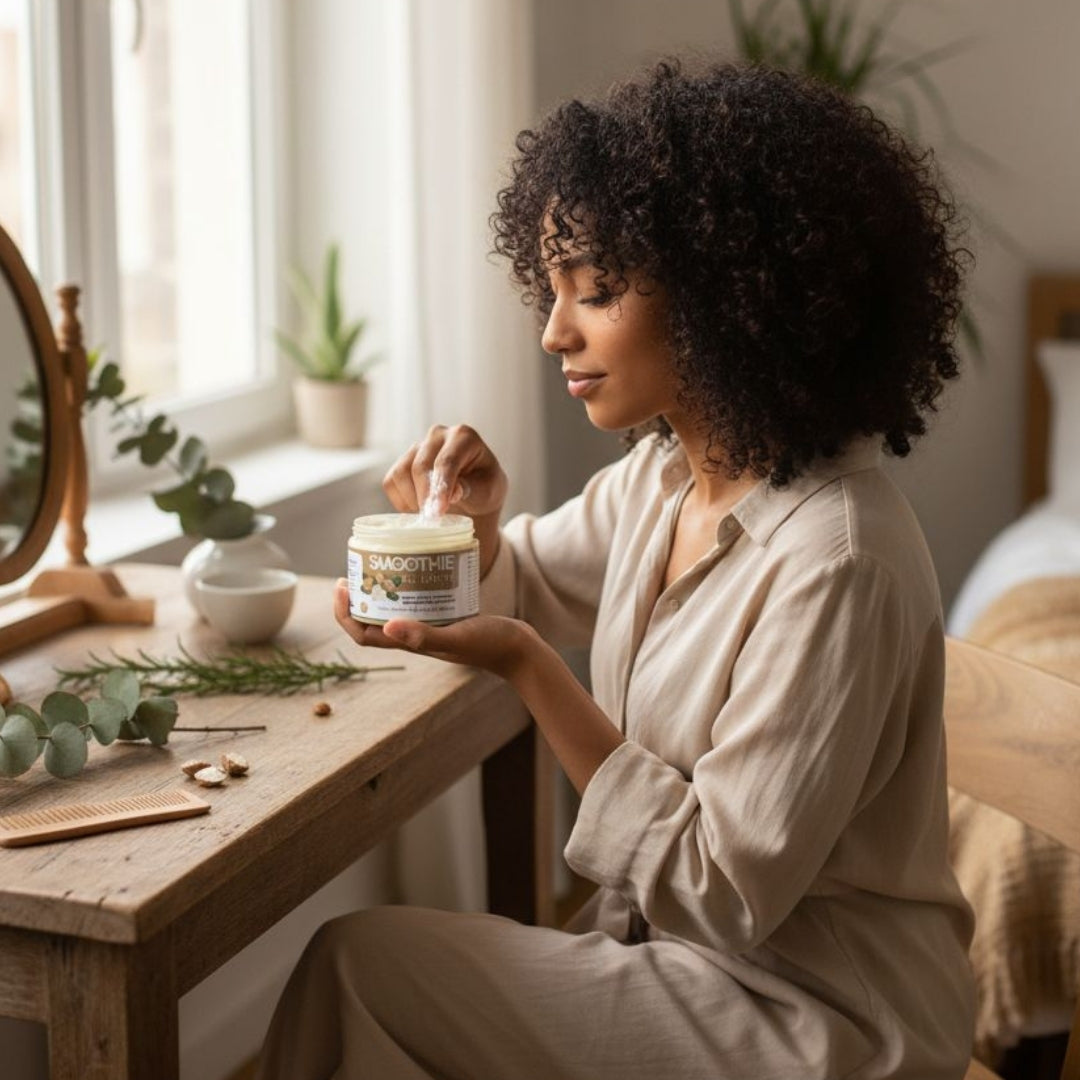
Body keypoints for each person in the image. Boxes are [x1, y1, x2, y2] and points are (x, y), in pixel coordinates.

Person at [257, 59, 975, 1080]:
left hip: (822, 1025)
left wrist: (530, 667)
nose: (555, 332)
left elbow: (722, 890)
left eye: (594, 291)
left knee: (358, 967)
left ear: (728, 293)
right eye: (552, 291)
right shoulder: (670, 479)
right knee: (371, 978)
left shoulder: (838, 561)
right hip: (684, 966)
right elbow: (524, 585)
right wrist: (480, 529)